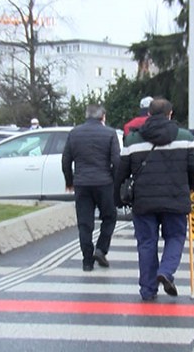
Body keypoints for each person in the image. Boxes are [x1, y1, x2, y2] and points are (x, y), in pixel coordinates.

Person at [115, 98, 194, 301]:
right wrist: (192, 186)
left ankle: (148, 290)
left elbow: (121, 172)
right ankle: (166, 271)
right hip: (175, 197)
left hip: (143, 200)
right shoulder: (187, 138)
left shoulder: (132, 141)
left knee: (146, 242)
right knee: (175, 237)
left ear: (148, 114)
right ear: (170, 114)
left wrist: (117, 198)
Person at [62, 105, 121, 271]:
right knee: (109, 217)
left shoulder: (74, 133)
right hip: (104, 182)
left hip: (82, 183)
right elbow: (116, 161)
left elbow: (66, 160)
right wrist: (115, 181)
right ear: (102, 116)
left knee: (85, 223)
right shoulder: (110, 133)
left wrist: (69, 181)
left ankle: (87, 261)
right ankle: (101, 249)